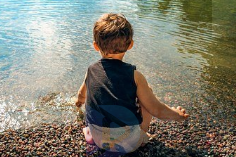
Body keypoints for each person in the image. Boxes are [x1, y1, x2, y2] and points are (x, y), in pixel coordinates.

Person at [75, 13, 189, 154]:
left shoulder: (91, 70)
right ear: (130, 45)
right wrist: (177, 115)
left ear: (96, 46)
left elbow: (81, 95)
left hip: (100, 140)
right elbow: (156, 110)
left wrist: (78, 105)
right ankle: (143, 135)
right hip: (129, 143)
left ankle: (90, 133)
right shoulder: (135, 76)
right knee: (148, 92)